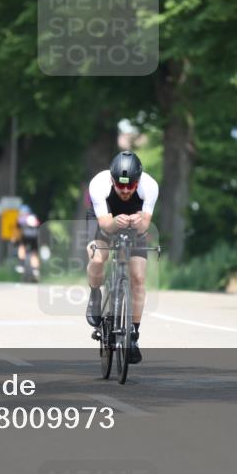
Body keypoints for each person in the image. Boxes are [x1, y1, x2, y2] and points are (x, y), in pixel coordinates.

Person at [85, 151, 159, 365]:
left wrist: (138, 222)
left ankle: (133, 335)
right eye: (120, 186)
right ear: (111, 180)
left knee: (137, 277)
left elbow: (145, 225)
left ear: (138, 182)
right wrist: (115, 221)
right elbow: (106, 225)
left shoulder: (150, 186)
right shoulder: (99, 184)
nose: (125, 191)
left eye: (130, 186)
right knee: (98, 258)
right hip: (105, 216)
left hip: (134, 218)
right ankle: (95, 295)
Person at [19, 213, 41, 282]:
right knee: (34, 252)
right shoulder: (35, 219)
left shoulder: (23, 219)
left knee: (21, 246)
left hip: (26, 236)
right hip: (35, 237)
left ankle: (21, 264)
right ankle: (35, 269)